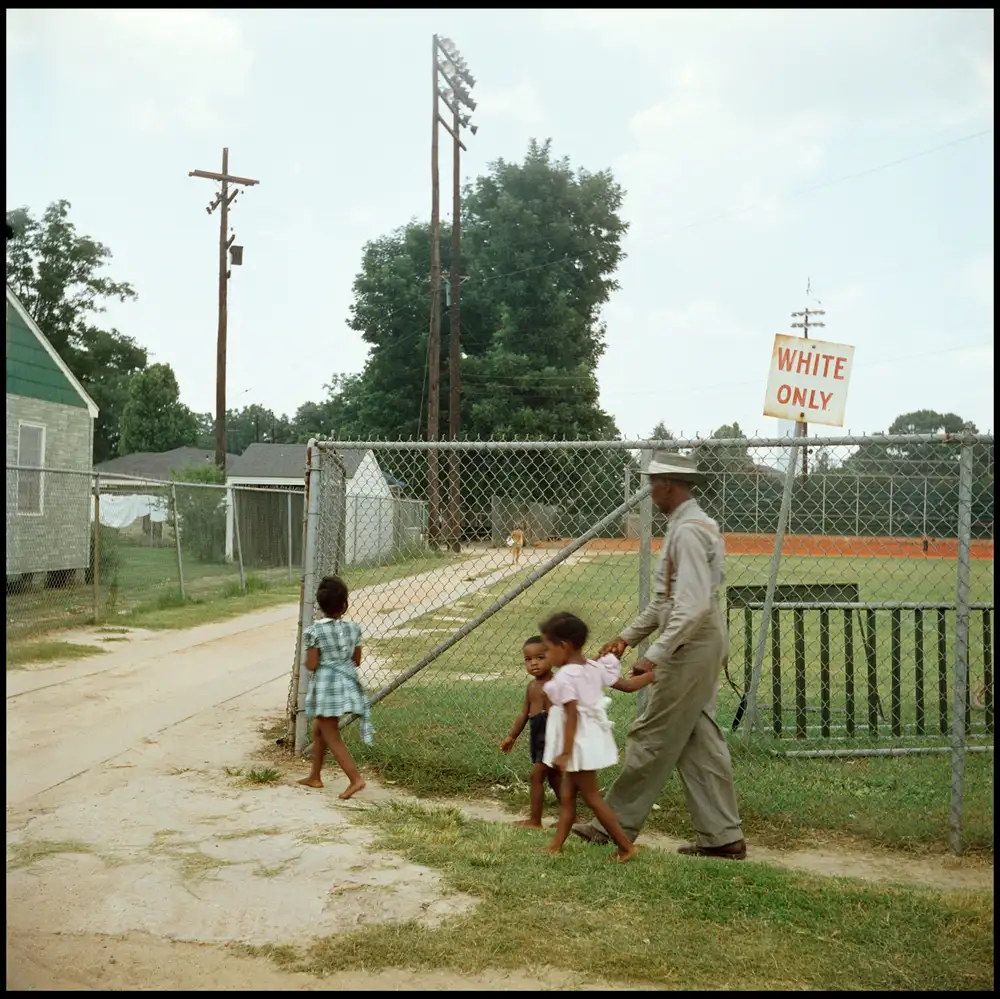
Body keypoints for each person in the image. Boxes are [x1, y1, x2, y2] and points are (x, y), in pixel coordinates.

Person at [574, 453, 747, 860]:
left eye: (653, 484)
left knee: (651, 736)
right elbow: (667, 602)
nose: (649, 491)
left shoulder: (687, 532)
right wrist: (626, 637)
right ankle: (724, 837)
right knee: (698, 738)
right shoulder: (692, 525)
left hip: (690, 643)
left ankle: (612, 825)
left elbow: (690, 607)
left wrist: (652, 656)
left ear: (668, 484)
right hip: (695, 639)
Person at [538, 611, 640, 863]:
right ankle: (556, 845)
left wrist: (565, 750)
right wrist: (655, 675)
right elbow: (627, 685)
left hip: (577, 744)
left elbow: (571, 716)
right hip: (588, 738)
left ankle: (626, 847)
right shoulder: (592, 667)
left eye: (548, 650)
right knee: (568, 796)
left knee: (593, 798)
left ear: (564, 646)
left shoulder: (566, 676)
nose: (548, 656)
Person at [297, 575, 372, 800]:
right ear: (345, 604)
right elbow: (356, 660)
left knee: (331, 733)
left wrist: (313, 660)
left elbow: (312, 665)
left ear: (319, 605)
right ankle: (315, 776)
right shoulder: (353, 629)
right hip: (347, 684)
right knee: (320, 729)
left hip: (327, 688)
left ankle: (355, 778)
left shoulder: (314, 632)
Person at [500, 636, 563, 828]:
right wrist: (512, 736)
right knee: (554, 777)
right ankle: (571, 817)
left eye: (540, 657)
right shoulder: (531, 686)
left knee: (536, 776)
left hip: (552, 735)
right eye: (528, 659)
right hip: (538, 735)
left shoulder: (557, 683)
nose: (533, 663)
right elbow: (524, 714)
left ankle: (535, 820)